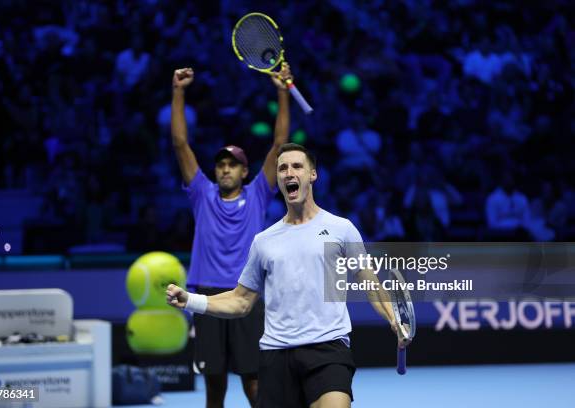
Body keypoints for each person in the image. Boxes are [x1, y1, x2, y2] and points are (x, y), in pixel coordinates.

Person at [167, 143, 409, 408]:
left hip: (328, 350)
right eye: (282, 168)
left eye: (297, 166)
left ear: (312, 174)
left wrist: (393, 318)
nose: (288, 173)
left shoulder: (342, 229)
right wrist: (190, 300)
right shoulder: (264, 241)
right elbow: (240, 301)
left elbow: (370, 283)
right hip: (276, 356)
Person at [170, 64, 292, 408]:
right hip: (207, 296)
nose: (224, 168)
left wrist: (282, 90)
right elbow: (180, 143)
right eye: (220, 163)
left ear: (244, 171)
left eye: (232, 164)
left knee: (253, 383)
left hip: (246, 294)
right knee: (214, 386)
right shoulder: (201, 193)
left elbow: (280, 143)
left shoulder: (257, 195)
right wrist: (178, 91)